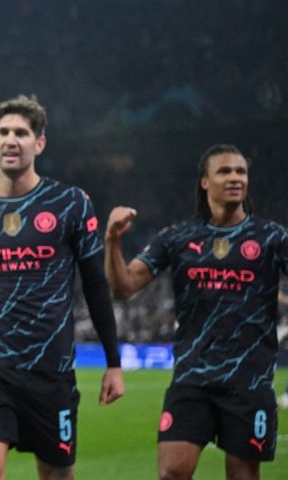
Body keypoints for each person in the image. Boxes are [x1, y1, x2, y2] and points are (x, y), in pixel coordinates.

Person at [0, 95, 124, 480]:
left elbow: (95, 285)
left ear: (39, 143)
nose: (11, 140)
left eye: (22, 132)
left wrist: (113, 363)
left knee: (56, 475)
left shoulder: (71, 203)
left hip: (50, 366)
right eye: (3, 132)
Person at [105, 144, 287, 480]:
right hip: (193, 378)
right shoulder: (177, 237)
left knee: (243, 476)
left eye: (241, 171)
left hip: (248, 381)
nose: (235, 178)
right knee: (172, 471)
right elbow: (123, 287)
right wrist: (113, 242)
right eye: (225, 171)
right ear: (205, 182)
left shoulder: (272, 237)